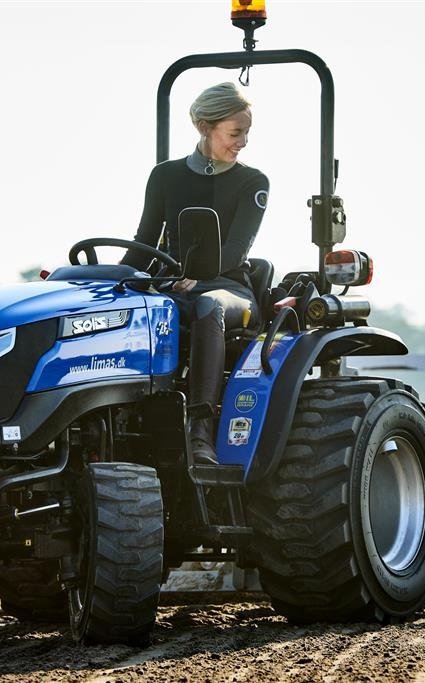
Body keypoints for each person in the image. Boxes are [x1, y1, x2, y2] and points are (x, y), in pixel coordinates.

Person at [122, 82, 269, 465]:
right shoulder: (165, 176)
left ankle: (200, 431)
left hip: (227, 288)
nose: (243, 142)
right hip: (172, 284)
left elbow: (236, 250)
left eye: (246, 133)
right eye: (235, 133)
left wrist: (199, 273)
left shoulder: (253, 182)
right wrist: (102, 279)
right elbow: (143, 243)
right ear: (205, 127)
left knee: (206, 305)